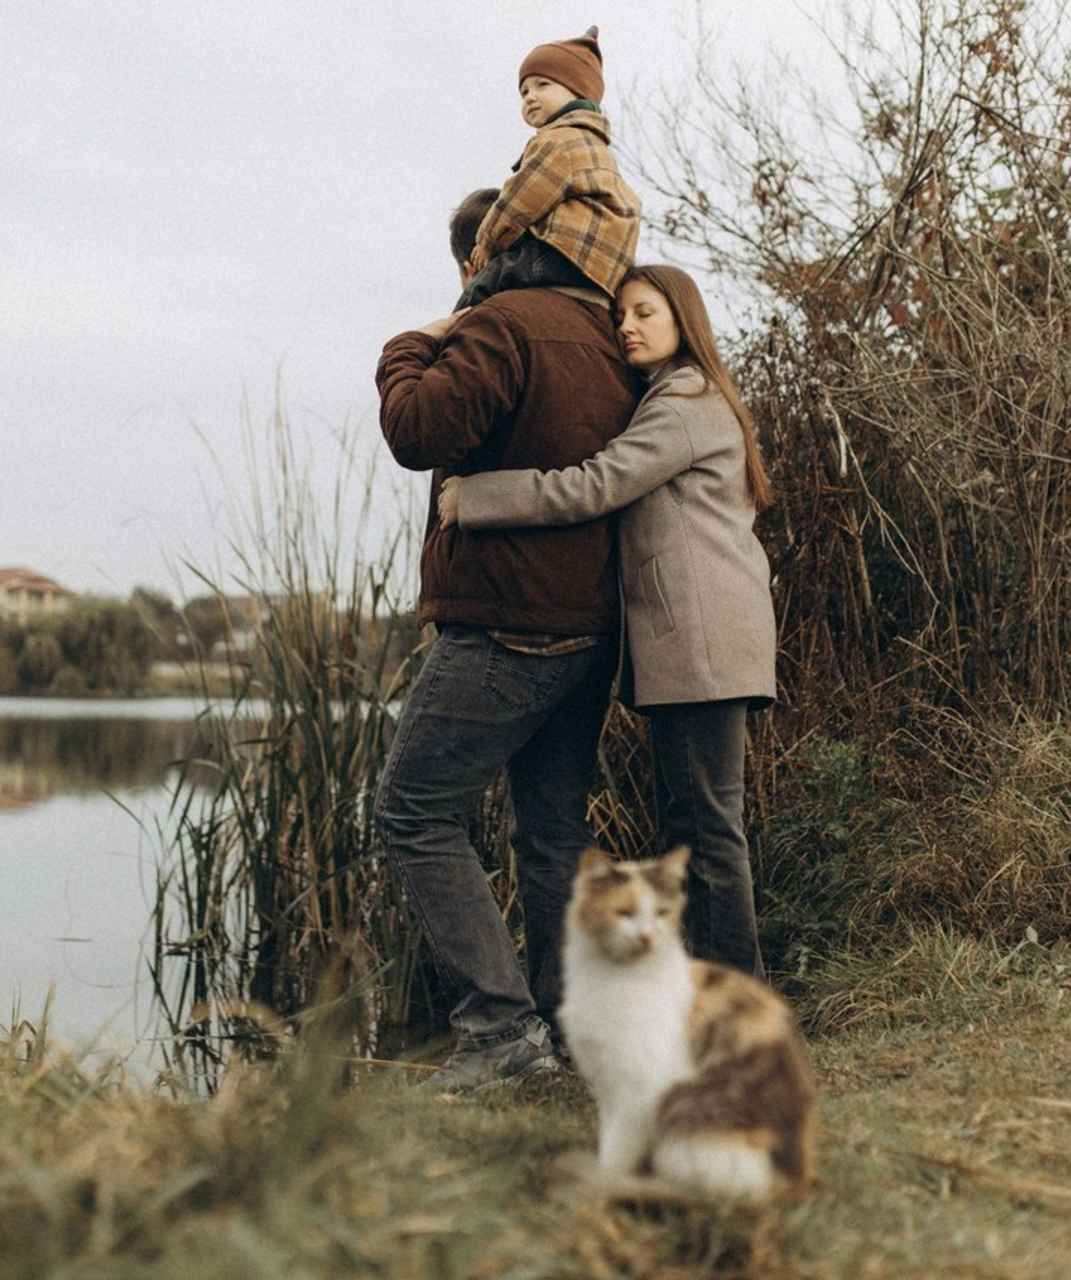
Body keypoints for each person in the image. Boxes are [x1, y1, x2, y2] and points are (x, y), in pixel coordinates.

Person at [375, 189, 641, 1092]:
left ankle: (500, 1033)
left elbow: (419, 431)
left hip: (510, 620)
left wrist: (407, 348)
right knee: (551, 831)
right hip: (592, 624)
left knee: (414, 810)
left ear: (477, 258)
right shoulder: (609, 333)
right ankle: (566, 1034)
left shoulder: (497, 324)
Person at [439, 265, 776, 978]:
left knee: (706, 831)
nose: (627, 326)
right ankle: (715, 1001)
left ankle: (731, 1007)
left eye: (645, 312)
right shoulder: (680, 395)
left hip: (701, 643)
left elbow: (597, 484)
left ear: (684, 321)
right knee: (700, 826)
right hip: (702, 641)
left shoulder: (683, 400)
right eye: (621, 313)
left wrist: (475, 498)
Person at [456, 25, 641, 310]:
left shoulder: (559, 141)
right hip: (602, 271)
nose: (530, 96)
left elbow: (520, 199)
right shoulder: (596, 147)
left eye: (543, 85)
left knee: (483, 286)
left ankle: (454, 333)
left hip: (565, 254)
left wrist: (488, 242)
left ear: (578, 92)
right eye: (524, 91)